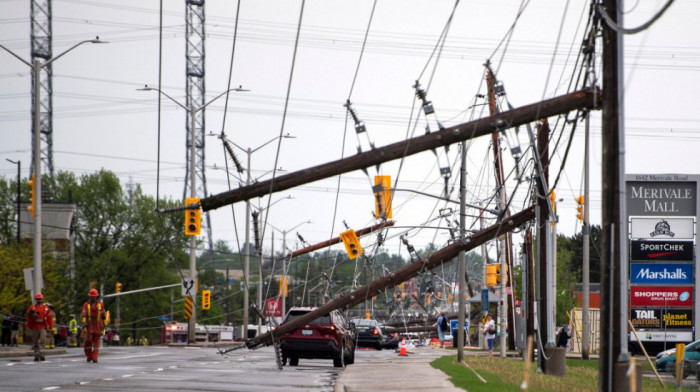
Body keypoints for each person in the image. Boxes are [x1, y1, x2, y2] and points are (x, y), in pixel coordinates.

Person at [26, 293, 54, 361]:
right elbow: (27, 315)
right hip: (34, 326)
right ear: (36, 300)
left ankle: (42, 355)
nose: (39, 300)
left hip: (42, 326)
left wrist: (50, 328)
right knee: (35, 342)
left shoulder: (46, 308)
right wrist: (32, 316)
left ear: (42, 299)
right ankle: (36, 355)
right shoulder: (32, 307)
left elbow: (49, 318)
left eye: (40, 299)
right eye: (38, 299)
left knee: (42, 340)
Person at [82, 288, 106, 363]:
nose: (93, 297)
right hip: (89, 326)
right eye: (92, 296)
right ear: (90, 296)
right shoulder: (86, 305)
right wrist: (84, 323)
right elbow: (83, 315)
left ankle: (94, 357)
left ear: (96, 296)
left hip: (98, 326)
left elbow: (103, 316)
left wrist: (104, 325)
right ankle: (89, 356)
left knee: (96, 342)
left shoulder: (100, 305)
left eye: (94, 296)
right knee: (88, 341)